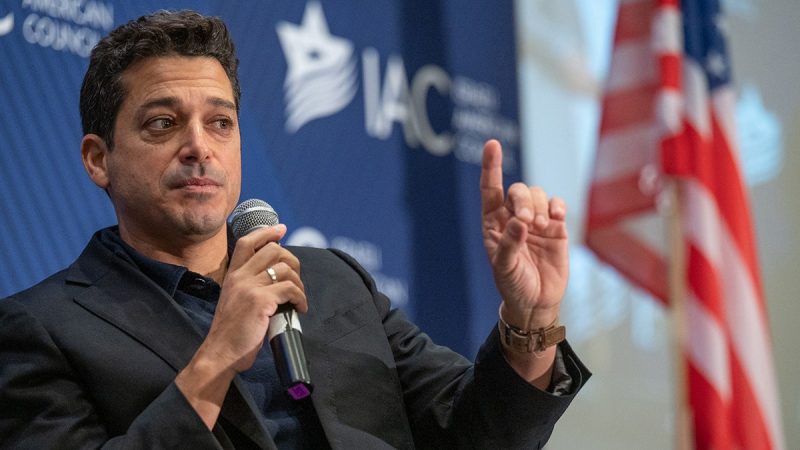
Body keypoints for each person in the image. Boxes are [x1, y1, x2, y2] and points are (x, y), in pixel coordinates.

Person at [0, 10, 589, 449]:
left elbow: (478, 433)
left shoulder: (334, 280)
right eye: (162, 123)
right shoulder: (42, 328)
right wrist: (216, 359)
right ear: (98, 159)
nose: (199, 147)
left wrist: (531, 319)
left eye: (220, 122)